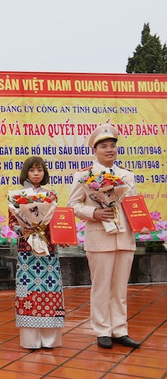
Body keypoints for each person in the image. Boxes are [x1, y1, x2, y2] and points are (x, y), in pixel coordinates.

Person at [68, 124, 140, 349]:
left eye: (112, 146)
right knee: (101, 287)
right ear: (95, 150)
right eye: (104, 146)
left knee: (120, 289)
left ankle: (119, 329)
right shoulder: (84, 176)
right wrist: (94, 213)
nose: (109, 150)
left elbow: (134, 205)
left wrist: (142, 221)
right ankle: (102, 330)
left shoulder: (127, 175)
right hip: (99, 238)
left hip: (124, 239)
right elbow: (73, 205)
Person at [9, 156, 65, 350]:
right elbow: (12, 223)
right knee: (27, 292)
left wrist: (62, 236)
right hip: (27, 252)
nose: (36, 174)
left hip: (48, 251)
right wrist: (23, 231)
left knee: (51, 290)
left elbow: (57, 222)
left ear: (44, 173)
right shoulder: (16, 196)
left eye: (39, 170)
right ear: (26, 173)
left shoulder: (52, 195)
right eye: (32, 170)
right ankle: (30, 340)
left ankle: (50, 340)